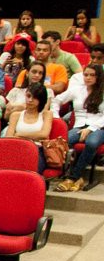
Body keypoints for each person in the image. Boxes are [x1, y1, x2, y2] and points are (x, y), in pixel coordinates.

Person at [56, 63, 104, 192]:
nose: (88, 78)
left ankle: (73, 176)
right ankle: (62, 173)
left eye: (92, 75)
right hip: (79, 126)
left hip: (99, 127)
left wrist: (90, 129)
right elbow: (56, 100)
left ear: (99, 76)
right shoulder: (77, 90)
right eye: (86, 75)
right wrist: (57, 118)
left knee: (92, 142)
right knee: (62, 141)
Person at [5, 83, 54, 174]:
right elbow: (9, 137)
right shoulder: (16, 115)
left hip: (37, 150)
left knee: (28, 170)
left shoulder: (46, 114)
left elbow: (44, 134)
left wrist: (19, 135)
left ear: (41, 99)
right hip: (16, 148)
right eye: (28, 96)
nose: (30, 100)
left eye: (35, 98)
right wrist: (32, 138)